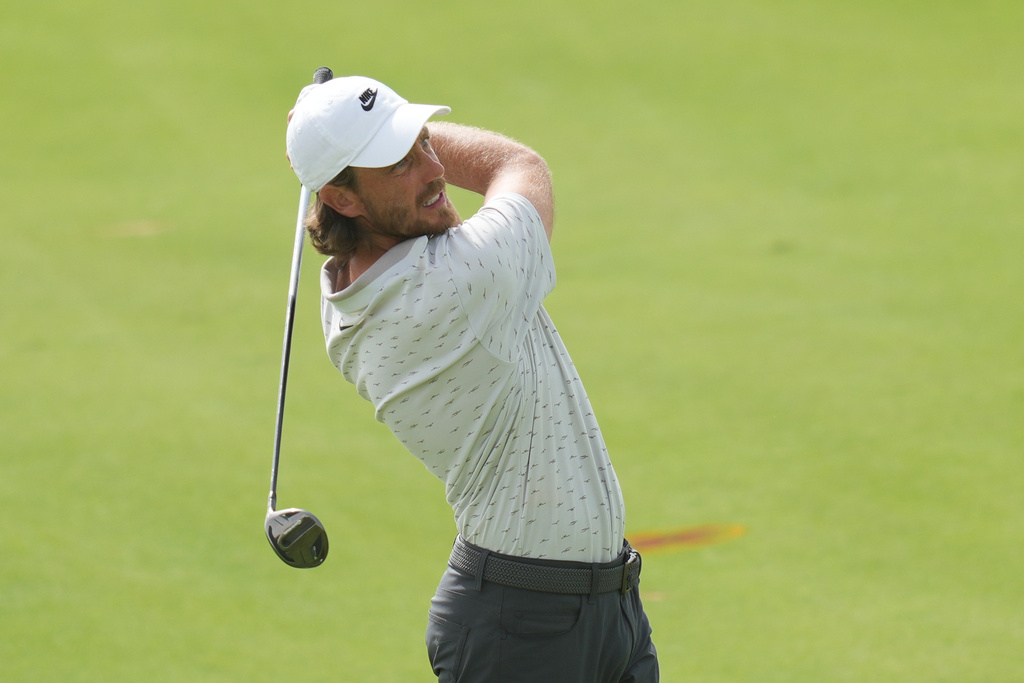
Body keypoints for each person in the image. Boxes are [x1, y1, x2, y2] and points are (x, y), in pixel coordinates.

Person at [285, 75, 659, 682]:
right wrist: (340, 129)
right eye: (399, 164)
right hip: (524, 628)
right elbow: (518, 163)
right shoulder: (459, 281)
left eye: (425, 142)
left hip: (596, 607)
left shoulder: (349, 290)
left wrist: (338, 132)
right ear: (344, 198)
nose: (433, 170)